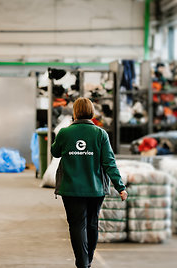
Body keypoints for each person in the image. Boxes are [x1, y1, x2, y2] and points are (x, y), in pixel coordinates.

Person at [51, 97, 128, 268]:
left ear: (75, 112)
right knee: (92, 224)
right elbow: (109, 162)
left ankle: (82, 263)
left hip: (71, 190)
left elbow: (55, 152)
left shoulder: (65, 133)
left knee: (77, 226)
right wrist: (120, 187)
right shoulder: (100, 134)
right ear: (92, 112)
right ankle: (88, 260)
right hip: (95, 189)